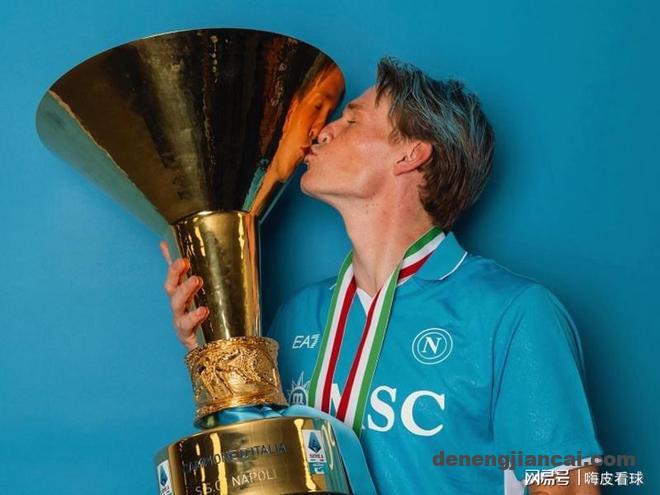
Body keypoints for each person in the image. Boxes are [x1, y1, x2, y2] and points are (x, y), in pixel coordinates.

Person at [162, 57, 602, 494]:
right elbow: (255, 469)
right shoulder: (298, 313)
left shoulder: (512, 314)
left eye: (351, 119)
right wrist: (214, 349)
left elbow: (569, 490)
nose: (322, 131)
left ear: (411, 153)